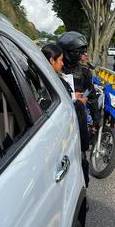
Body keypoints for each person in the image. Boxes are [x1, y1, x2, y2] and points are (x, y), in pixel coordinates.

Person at [41, 43, 91, 187]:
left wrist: (72, 95)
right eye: (61, 60)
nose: (63, 63)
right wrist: (79, 102)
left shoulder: (47, 77)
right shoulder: (49, 80)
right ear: (52, 60)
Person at [57, 32, 102, 185]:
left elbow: (93, 97)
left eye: (80, 52)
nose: (79, 55)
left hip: (78, 120)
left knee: (81, 157)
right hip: (57, 122)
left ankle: (82, 188)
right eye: (76, 52)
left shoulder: (84, 72)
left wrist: (97, 120)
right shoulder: (54, 69)